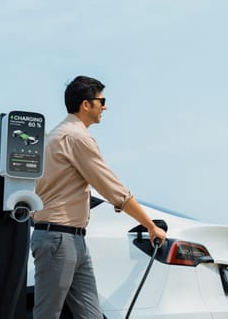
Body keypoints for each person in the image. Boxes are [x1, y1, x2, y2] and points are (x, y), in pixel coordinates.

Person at [31, 75, 166, 319]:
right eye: (102, 101)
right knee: (47, 315)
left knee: (90, 315)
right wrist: (151, 226)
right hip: (58, 238)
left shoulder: (58, 136)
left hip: (72, 239)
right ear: (86, 104)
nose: (106, 107)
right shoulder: (76, 137)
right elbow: (112, 188)